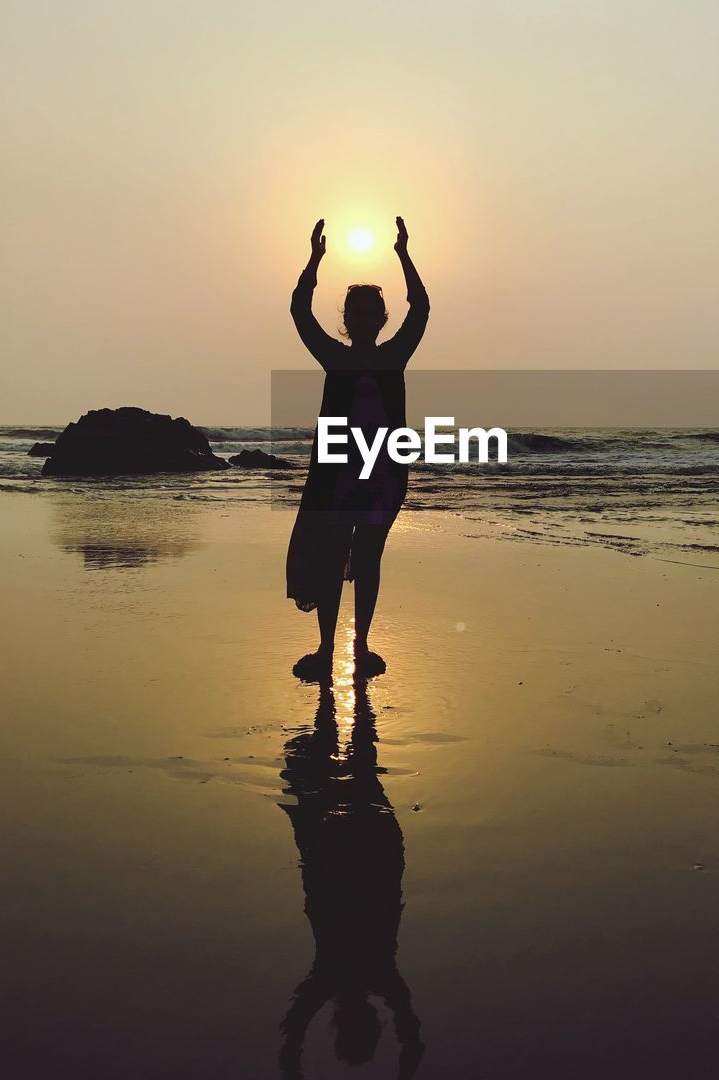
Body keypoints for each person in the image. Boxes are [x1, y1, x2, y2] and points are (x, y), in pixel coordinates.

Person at [286, 216, 429, 680]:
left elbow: (421, 308)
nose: (363, 319)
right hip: (337, 478)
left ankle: (360, 648)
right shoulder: (334, 357)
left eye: (371, 312)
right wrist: (313, 261)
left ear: (380, 319)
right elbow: (299, 313)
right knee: (331, 561)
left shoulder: (393, 356)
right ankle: (327, 650)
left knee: (367, 560)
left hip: (383, 476)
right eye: (356, 312)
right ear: (347, 320)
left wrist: (404, 255)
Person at [277, 675, 424, 1078]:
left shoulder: (335, 976)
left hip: (353, 864)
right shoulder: (367, 975)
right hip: (363, 865)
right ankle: (342, 697)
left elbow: (411, 1038)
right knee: (357, 768)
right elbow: (410, 1037)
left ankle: (337, 699)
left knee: (354, 767)